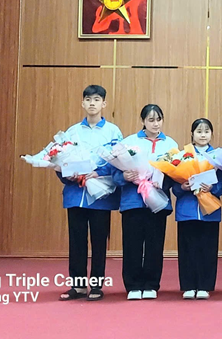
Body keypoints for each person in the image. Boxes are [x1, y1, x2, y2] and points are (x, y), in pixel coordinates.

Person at [58, 85, 123, 302]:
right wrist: (68, 173)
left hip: (101, 194)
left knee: (98, 241)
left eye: (96, 99)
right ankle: (77, 285)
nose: (92, 103)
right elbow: (60, 159)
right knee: (76, 241)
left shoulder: (113, 131)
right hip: (76, 193)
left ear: (104, 103)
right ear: (82, 103)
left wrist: (99, 172)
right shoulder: (72, 131)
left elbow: (119, 161)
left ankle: (96, 285)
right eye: (88, 99)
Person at [114, 104, 176, 300]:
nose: (155, 124)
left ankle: (151, 284)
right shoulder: (129, 142)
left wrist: (163, 181)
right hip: (133, 201)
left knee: (155, 244)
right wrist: (124, 176)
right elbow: (115, 174)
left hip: (158, 201)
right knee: (132, 243)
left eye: (158, 119)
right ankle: (133, 285)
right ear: (142, 121)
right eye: (151, 120)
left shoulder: (170, 144)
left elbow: (176, 174)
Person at [172, 118, 222, 300]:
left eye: (206, 131)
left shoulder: (218, 156)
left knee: (208, 248)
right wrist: (183, 187)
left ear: (211, 134)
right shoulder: (182, 156)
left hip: (210, 209)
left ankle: (205, 285)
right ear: (192, 134)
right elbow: (174, 186)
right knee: (188, 248)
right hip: (187, 209)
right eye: (199, 131)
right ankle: (188, 285)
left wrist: (213, 188)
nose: (203, 135)